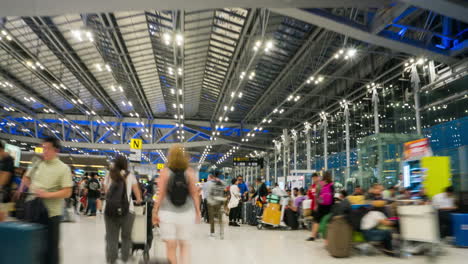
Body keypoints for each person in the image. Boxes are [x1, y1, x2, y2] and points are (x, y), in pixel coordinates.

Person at [17, 137, 73, 264]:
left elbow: (67, 192)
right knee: (34, 246)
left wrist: (47, 194)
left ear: (56, 150)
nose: (44, 151)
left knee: (51, 249)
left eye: (48, 149)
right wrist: (28, 186)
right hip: (33, 210)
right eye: (43, 148)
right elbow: (26, 178)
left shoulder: (63, 168)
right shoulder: (38, 163)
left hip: (51, 214)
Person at [152, 145, 201, 264]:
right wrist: (198, 211)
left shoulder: (165, 172)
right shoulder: (190, 172)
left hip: (167, 214)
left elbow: (161, 194)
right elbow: (195, 194)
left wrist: (155, 211)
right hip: (186, 214)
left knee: (171, 246)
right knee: (184, 246)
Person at [103, 156, 142, 264]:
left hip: (110, 210)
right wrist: (138, 199)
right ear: (126, 164)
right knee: (126, 236)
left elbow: (106, 190)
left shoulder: (109, 174)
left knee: (111, 236)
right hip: (128, 210)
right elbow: (137, 192)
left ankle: (112, 259)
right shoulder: (130, 176)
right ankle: (125, 258)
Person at [308, 171, 334, 241]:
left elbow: (317, 195)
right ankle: (326, 238)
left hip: (321, 205)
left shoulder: (321, 184)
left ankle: (313, 236)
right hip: (329, 206)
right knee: (327, 221)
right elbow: (333, 196)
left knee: (316, 220)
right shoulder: (332, 184)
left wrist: (316, 205)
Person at [206, 172, 226, 238]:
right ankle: (213, 232)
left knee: (218, 219)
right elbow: (209, 193)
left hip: (217, 203)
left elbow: (224, 186)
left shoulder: (220, 183)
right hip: (212, 203)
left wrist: (219, 181)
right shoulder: (210, 184)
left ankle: (220, 233)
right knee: (213, 219)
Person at [306, 173, 320, 241]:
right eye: (313, 178)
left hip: (319, 205)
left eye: (315, 178)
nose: (314, 179)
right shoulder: (313, 186)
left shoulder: (321, 185)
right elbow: (311, 196)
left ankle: (314, 234)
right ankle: (314, 234)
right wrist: (309, 191)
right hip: (313, 205)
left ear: (318, 177)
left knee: (316, 220)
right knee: (314, 220)